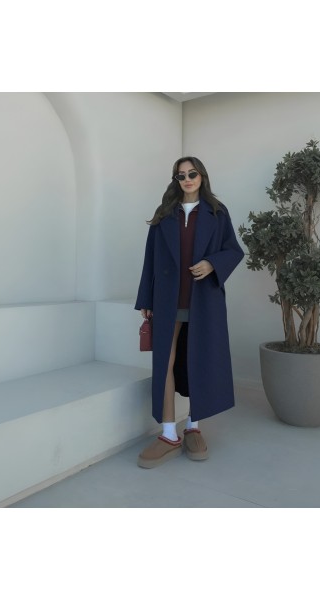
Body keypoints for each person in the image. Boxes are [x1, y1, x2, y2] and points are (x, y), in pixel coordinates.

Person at [135, 156, 244, 468]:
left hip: (203, 299)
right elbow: (150, 259)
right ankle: (169, 434)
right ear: (176, 180)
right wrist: (146, 299)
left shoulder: (217, 212)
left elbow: (233, 250)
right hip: (167, 300)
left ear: (202, 176)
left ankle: (194, 427)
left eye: (192, 173)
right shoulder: (164, 214)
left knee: (201, 360)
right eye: (180, 175)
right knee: (165, 363)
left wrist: (212, 263)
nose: (187, 179)